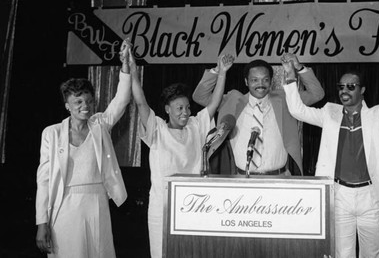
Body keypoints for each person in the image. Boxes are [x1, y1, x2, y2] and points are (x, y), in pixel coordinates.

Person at [282, 52, 379, 258]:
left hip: (371, 196)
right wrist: (291, 73)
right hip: (339, 195)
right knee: (342, 254)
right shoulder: (329, 113)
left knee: (372, 254)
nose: (344, 90)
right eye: (341, 86)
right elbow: (298, 111)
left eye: (351, 86)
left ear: (363, 90)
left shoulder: (376, 115)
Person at [129, 48, 233, 258]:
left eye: (187, 108)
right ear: (167, 109)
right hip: (162, 207)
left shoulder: (196, 125)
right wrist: (131, 69)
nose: (185, 113)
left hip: (192, 205)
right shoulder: (157, 129)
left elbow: (213, 103)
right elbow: (141, 102)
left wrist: (222, 72)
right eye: (179, 108)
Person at [35, 40, 131, 257]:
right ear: (67, 105)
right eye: (78, 102)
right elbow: (44, 180)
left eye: (88, 101)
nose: (85, 106)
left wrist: (125, 64)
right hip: (64, 205)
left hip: (97, 202)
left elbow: (122, 100)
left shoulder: (100, 125)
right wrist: (42, 221)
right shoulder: (51, 133)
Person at [192, 53, 325, 176]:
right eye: (254, 80)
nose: (260, 84)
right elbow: (199, 96)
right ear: (246, 82)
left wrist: (299, 68)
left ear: (271, 81)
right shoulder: (232, 101)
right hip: (242, 179)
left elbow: (317, 94)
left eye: (265, 80)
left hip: (280, 178)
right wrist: (218, 70)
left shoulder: (285, 98)